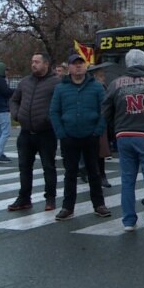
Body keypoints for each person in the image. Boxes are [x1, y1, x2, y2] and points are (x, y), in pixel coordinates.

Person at [103, 49, 144, 233]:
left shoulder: (116, 84)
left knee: (127, 180)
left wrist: (118, 122)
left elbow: (106, 110)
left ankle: (128, 221)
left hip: (124, 134)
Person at [49, 54, 111, 221]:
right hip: (69, 137)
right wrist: (61, 133)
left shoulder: (96, 87)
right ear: (69, 67)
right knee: (70, 173)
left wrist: (97, 131)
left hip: (90, 136)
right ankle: (67, 207)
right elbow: (54, 112)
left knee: (94, 172)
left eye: (81, 64)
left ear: (85, 66)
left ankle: (99, 205)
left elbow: (104, 111)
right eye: (74, 64)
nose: (78, 67)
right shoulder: (61, 88)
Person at [7, 52, 60, 212]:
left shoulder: (56, 83)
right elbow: (14, 100)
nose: (33, 64)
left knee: (48, 167)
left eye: (37, 62)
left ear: (46, 64)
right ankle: (24, 198)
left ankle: (50, 198)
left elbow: (60, 104)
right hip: (26, 132)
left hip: (46, 132)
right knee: (24, 167)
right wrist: (16, 114)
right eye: (32, 61)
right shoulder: (25, 82)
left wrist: (49, 118)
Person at [87, 62, 114, 188]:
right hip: (90, 122)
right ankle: (95, 175)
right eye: (101, 75)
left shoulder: (103, 87)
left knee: (100, 152)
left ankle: (101, 175)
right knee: (92, 153)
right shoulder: (92, 87)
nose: (103, 77)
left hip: (101, 123)